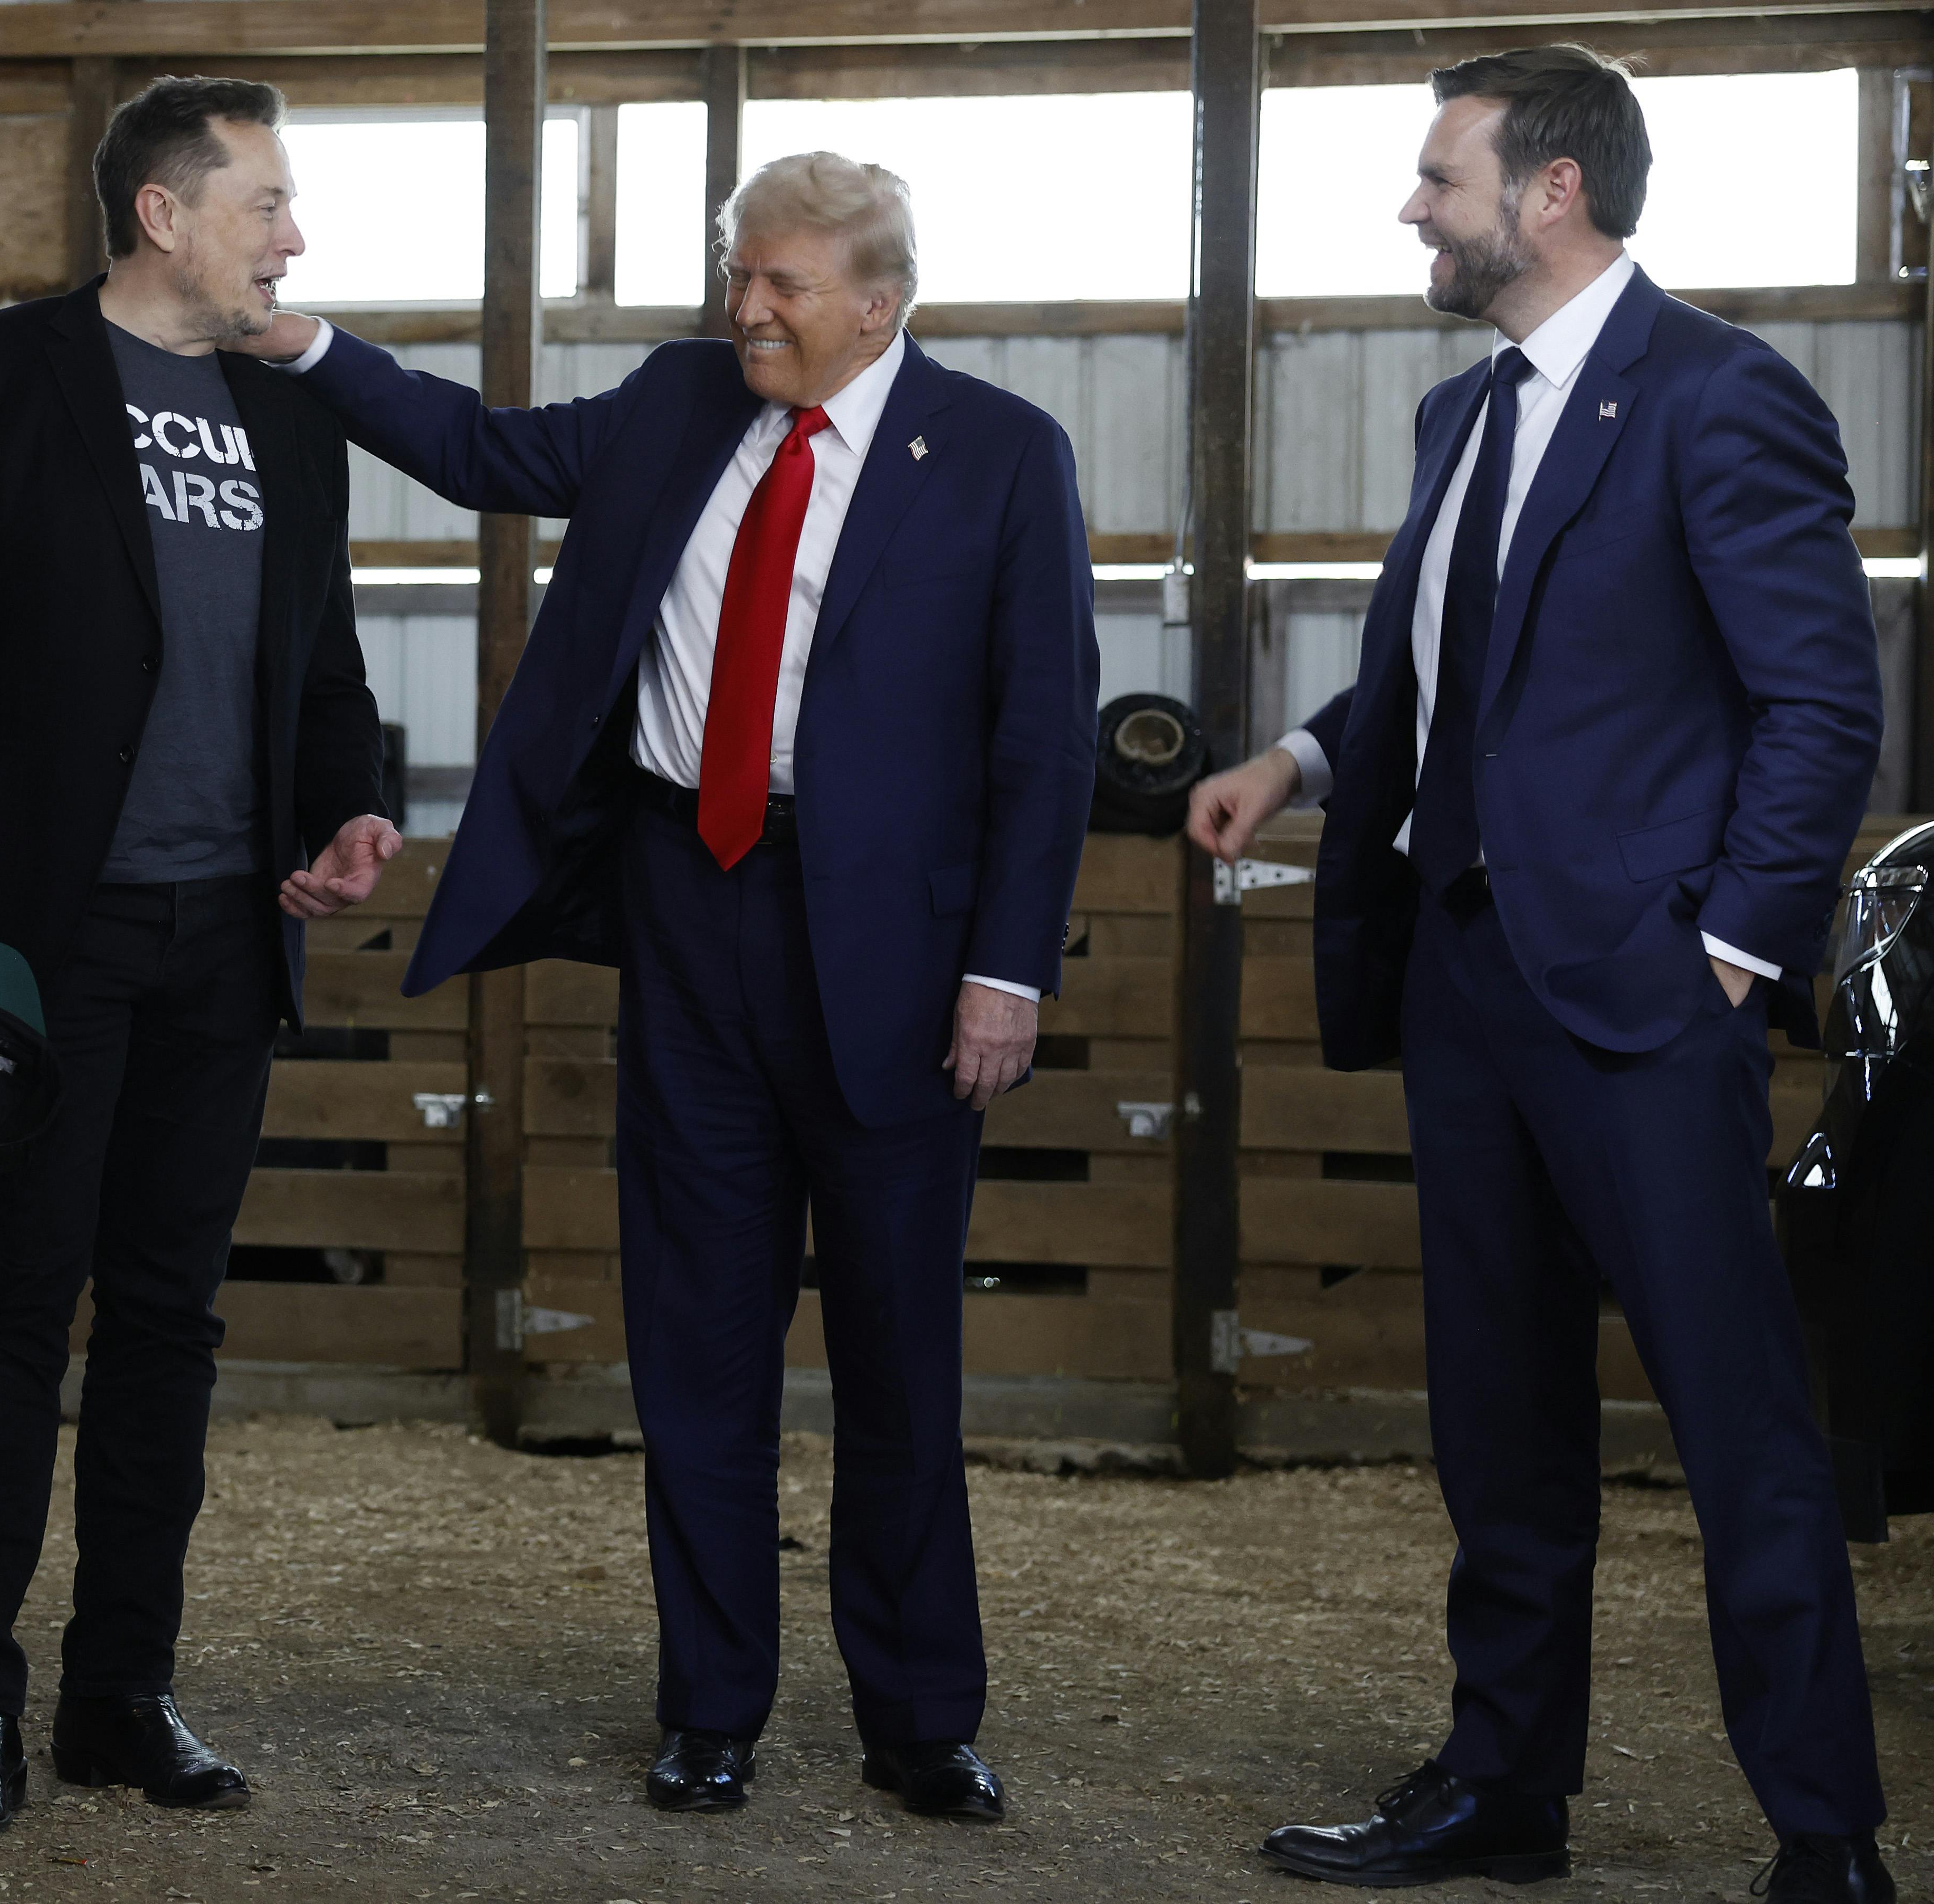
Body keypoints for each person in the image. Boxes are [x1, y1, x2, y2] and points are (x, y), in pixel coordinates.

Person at [227, 152, 1098, 1819]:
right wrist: (306, 349)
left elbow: (1045, 733)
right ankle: (713, 1703)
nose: (744, 307)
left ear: (877, 303)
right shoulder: (681, 400)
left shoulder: (1001, 455)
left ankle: (921, 1715)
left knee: (901, 1353)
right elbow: (483, 453)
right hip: (688, 918)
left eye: (777, 283)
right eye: (736, 275)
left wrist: (1005, 970)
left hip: (904, 965)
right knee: (697, 1339)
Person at [1187, 46, 1890, 1902]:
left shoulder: (1723, 400)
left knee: (1738, 1424)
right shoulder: (1461, 418)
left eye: (1441, 177)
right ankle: (1507, 1785)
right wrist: (1310, 762)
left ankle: (1826, 1831)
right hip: (1469, 984)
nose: (1415, 208)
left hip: (1652, 999)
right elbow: (1458, 675)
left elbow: (1822, 703)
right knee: (1498, 1424)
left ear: (1550, 192)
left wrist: (1732, 948)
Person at [0, 74, 398, 1838]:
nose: (292, 237)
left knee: (169, 1320)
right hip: (44, 932)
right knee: (14, 1307)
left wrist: (352, 811)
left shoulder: (290, 416)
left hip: (227, 938)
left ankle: (119, 1693)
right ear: (165, 214)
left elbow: (325, 668)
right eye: (265, 203)